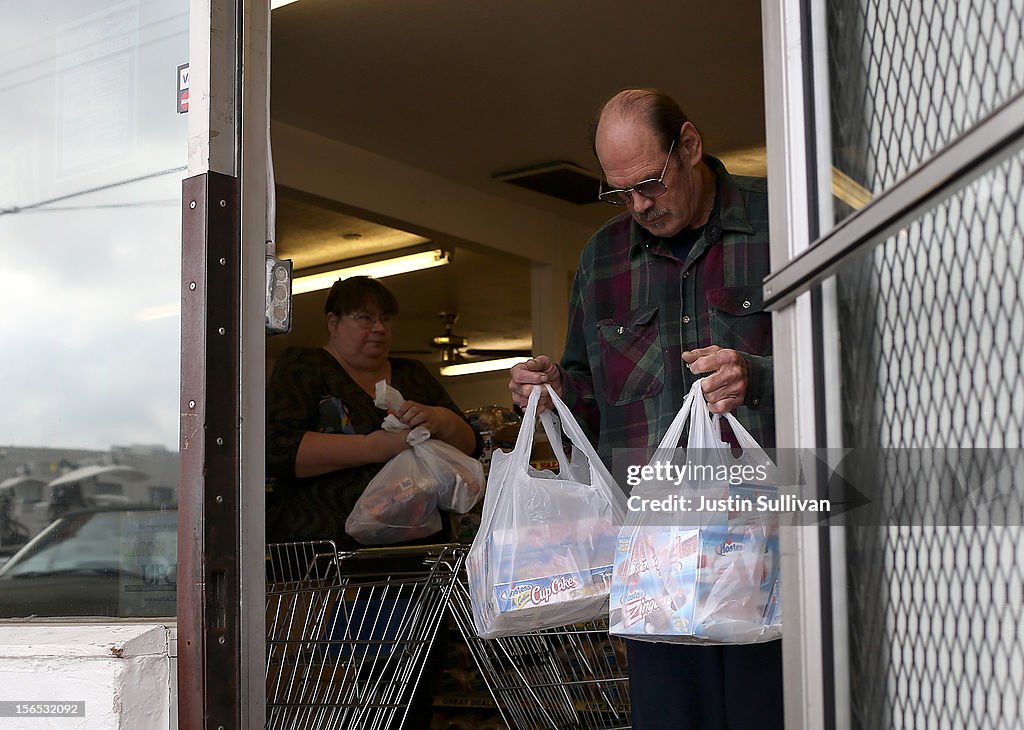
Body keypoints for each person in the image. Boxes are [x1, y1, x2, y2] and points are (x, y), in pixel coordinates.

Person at [509, 89, 782, 729]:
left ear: (689, 145)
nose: (639, 206)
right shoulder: (604, 258)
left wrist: (759, 376)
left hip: (769, 547)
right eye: (620, 192)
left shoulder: (783, 224)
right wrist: (550, 392)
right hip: (655, 558)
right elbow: (588, 390)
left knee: (772, 712)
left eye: (651, 184)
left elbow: (854, 368)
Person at [265, 275, 480, 548]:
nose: (379, 328)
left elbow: (471, 445)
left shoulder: (412, 374)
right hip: (326, 555)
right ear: (333, 322)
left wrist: (441, 420)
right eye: (365, 318)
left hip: (416, 554)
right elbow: (276, 449)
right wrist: (371, 447)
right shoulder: (305, 367)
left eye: (386, 319)